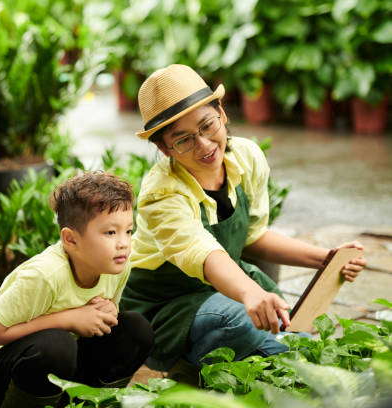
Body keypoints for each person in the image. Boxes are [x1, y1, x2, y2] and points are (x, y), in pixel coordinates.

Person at [120, 64, 367, 373]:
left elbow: (253, 236)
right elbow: (203, 253)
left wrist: (326, 259)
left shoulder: (246, 157)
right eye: (183, 140)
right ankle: (189, 360)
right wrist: (250, 292)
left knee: (297, 341)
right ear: (163, 147)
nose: (205, 145)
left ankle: (245, 361)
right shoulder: (161, 195)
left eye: (207, 126)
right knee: (240, 321)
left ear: (221, 113)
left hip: (227, 287)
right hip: (169, 306)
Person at [0, 172, 154, 408]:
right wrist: (67, 319)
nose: (123, 242)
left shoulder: (117, 264)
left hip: (61, 362)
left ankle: (91, 403)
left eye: (128, 231)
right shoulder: (44, 275)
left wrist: (108, 310)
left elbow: (100, 323)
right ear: (71, 240)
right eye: (110, 232)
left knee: (135, 329)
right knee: (56, 345)